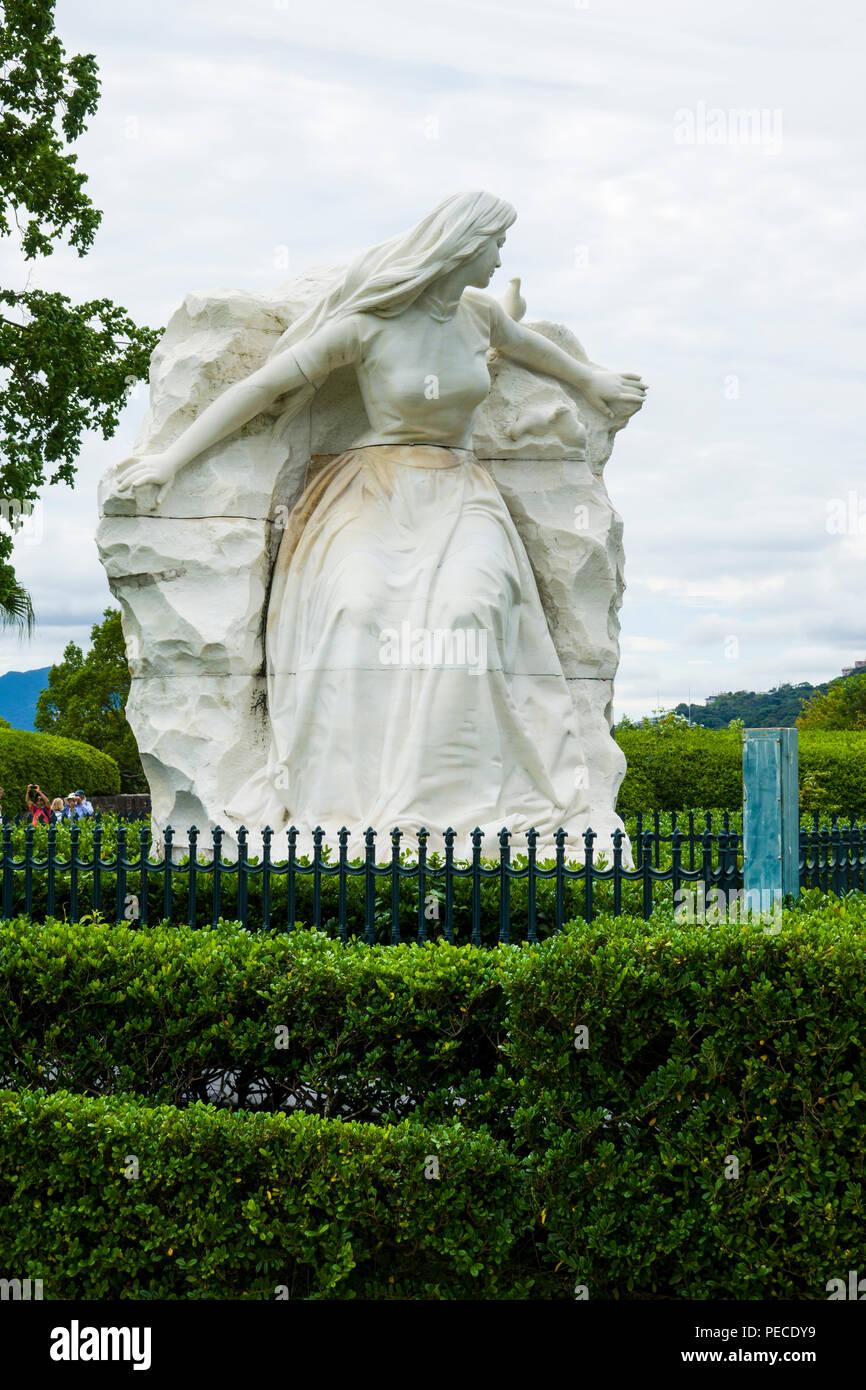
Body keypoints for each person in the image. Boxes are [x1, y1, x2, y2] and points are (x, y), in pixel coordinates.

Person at [115, 191, 647, 847]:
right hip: (373, 491)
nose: (501, 255)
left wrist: (592, 383)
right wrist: (168, 460)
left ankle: (457, 810)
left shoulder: (480, 316)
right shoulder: (369, 326)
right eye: (495, 243)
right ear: (463, 246)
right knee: (355, 613)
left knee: (468, 616)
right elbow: (262, 388)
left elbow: (535, 352)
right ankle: (350, 806)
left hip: (460, 492)